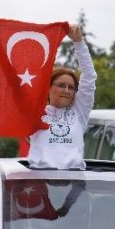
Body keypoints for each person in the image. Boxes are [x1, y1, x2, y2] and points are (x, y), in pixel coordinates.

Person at [28, 24, 97, 169]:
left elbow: (89, 77)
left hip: (74, 183)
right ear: (48, 88)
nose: (67, 90)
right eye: (61, 85)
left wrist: (79, 43)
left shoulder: (79, 113)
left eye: (71, 87)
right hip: (40, 184)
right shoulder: (35, 113)